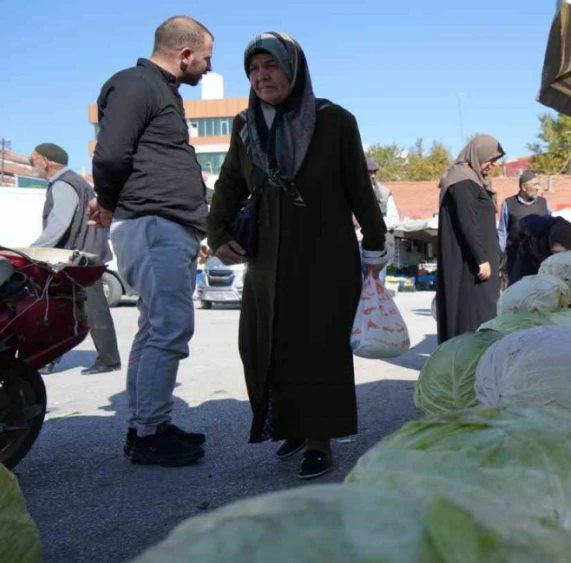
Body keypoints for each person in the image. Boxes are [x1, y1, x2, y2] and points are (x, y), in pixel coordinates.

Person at [207, 32, 388, 480]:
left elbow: (357, 187)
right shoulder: (245, 124)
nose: (261, 76)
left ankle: (320, 439)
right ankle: (289, 424)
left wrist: (375, 241)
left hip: (324, 255)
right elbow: (230, 183)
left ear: (293, 68)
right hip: (267, 257)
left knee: (318, 346)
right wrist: (217, 232)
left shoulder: (334, 120)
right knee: (266, 343)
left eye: (270, 66)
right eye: (253, 69)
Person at [90, 15, 213, 467]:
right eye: (205, 58)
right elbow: (110, 155)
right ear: (185, 54)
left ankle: (146, 424)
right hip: (154, 224)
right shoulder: (137, 84)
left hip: (162, 225)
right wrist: (106, 201)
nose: (207, 67)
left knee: (154, 328)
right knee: (168, 329)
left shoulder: (158, 89)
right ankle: (149, 433)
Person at [30, 143, 121, 376]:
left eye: (33, 160)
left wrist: (34, 250)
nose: (32, 165)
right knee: (63, 307)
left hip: (80, 258)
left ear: (45, 160)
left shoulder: (63, 184)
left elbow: (59, 223)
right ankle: (50, 358)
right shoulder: (74, 182)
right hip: (83, 255)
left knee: (91, 307)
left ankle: (108, 360)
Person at [436, 135, 504, 343]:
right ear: (478, 153)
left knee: (483, 312)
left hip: (480, 263)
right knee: (473, 314)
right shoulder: (463, 181)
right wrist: (481, 258)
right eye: (491, 158)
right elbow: (467, 220)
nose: (493, 164)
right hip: (470, 266)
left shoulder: (473, 180)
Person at [498, 171, 550, 282]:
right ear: (524, 187)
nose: (538, 188)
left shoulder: (544, 203)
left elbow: (552, 229)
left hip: (541, 261)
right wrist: (501, 257)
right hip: (516, 261)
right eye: (535, 184)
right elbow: (502, 232)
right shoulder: (509, 203)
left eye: (538, 184)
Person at [509, 215, 571, 285]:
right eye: (556, 252)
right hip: (531, 262)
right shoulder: (532, 231)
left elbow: (565, 259)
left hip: (561, 268)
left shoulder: (564, 233)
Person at [366, 157, 400, 230]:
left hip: (381, 235)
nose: (373, 176)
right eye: (370, 172)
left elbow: (394, 219)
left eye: (374, 172)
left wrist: (376, 224)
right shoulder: (351, 192)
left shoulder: (384, 192)